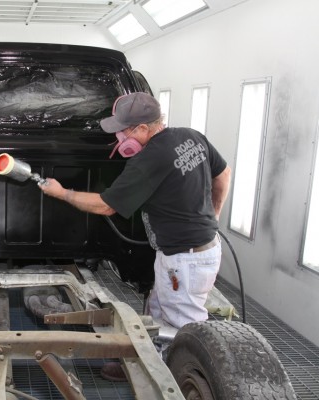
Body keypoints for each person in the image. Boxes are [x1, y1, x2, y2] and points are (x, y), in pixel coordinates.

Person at [38, 92, 231, 381]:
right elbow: (224, 173)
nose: (118, 137)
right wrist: (214, 216)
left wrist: (62, 193)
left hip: (185, 261)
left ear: (142, 128)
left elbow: (106, 205)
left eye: (122, 131)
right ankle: (143, 361)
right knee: (155, 309)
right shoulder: (191, 136)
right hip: (195, 251)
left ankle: (180, 382)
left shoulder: (150, 158)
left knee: (186, 330)